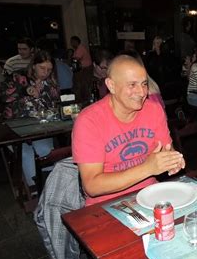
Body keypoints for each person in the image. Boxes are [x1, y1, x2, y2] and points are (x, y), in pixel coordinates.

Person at [72, 55, 184, 206]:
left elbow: (166, 150)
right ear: (111, 85)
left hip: (150, 196)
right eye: (132, 85)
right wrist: (147, 168)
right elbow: (92, 186)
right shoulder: (89, 120)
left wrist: (172, 160)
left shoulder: (153, 109)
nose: (141, 92)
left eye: (144, 84)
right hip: (106, 206)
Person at [0, 50, 60, 188]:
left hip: (40, 127)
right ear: (33, 65)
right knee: (25, 153)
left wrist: (45, 93)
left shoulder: (50, 84)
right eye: (42, 68)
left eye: (49, 69)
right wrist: (24, 90)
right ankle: (35, 190)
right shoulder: (19, 77)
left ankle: (51, 187)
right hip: (14, 127)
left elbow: (54, 105)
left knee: (46, 150)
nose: (45, 72)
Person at [70, 35, 93, 103]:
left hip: (85, 69)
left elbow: (75, 59)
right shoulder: (78, 49)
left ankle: (83, 100)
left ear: (76, 41)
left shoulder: (80, 48)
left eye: (72, 42)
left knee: (82, 85)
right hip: (83, 69)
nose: (71, 44)